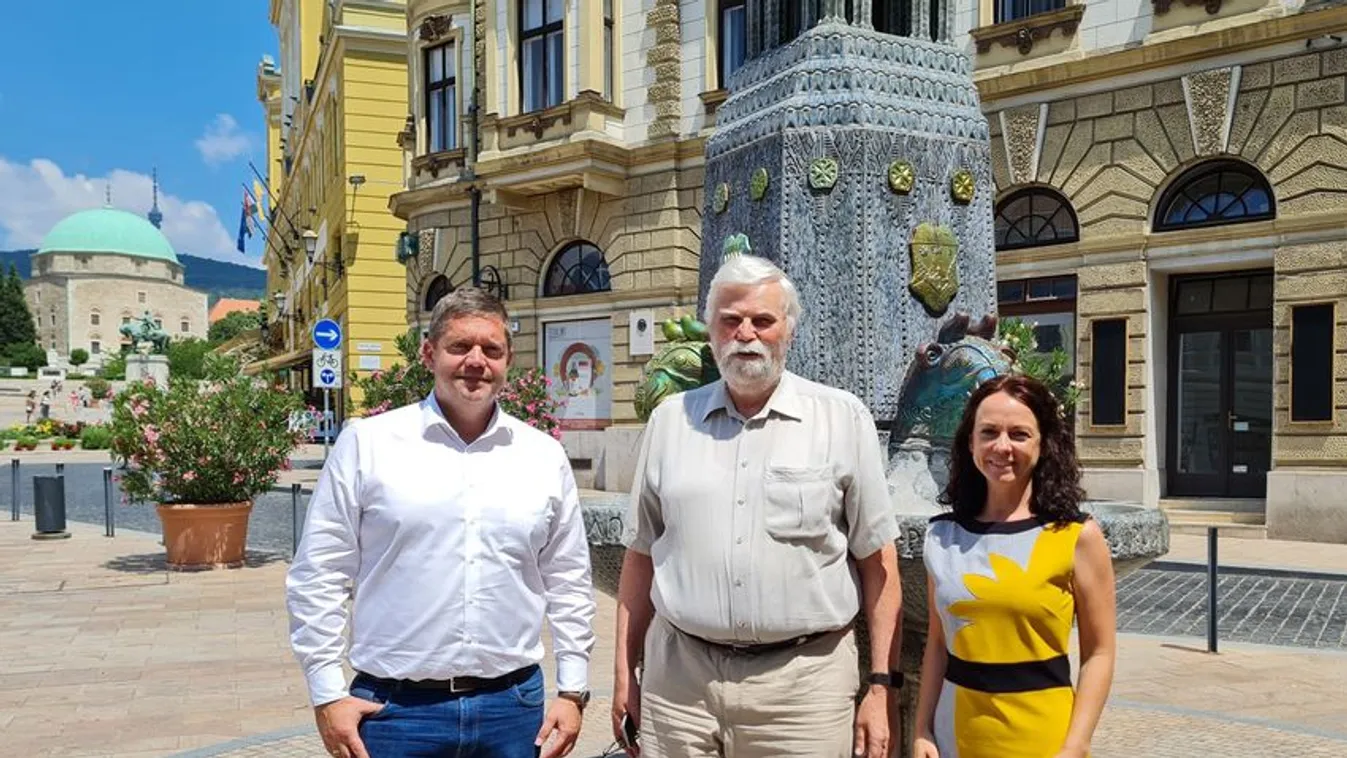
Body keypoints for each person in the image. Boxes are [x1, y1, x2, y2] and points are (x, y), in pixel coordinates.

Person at [287, 288, 597, 758]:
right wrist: (327, 692)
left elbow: (569, 578)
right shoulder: (368, 444)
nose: (476, 361)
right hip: (395, 713)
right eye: (460, 347)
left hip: (513, 711)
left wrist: (573, 690)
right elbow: (320, 574)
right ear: (430, 354)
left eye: (491, 350)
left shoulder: (543, 456)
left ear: (508, 359)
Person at [613, 254, 902, 758]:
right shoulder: (668, 421)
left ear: (787, 331)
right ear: (711, 331)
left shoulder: (842, 418)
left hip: (802, 692)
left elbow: (880, 564)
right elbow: (640, 557)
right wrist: (624, 675)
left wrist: (880, 688)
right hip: (680, 686)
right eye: (730, 320)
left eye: (763, 320)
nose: (745, 333)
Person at [913, 375, 1116, 758]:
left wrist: (1076, 744)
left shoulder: (1076, 536)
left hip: (1043, 736)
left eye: (1019, 434)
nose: (1001, 446)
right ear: (970, 442)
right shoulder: (942, 537)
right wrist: (922, 728)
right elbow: (939, 645)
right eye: (988, 432)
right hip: (956, 730)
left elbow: (1100, 653)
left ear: (1044, 444)